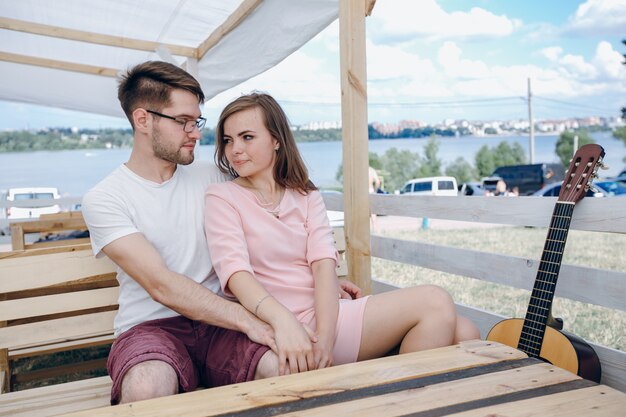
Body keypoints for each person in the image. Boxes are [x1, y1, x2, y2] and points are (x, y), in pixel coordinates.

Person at [82, 61, 360, 405]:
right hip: (154, 328)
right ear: (143, 120)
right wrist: (251, 322)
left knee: (291, 369)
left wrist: (317, 280)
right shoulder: (105, 198)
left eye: (197, 122)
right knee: (146, 387)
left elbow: (271, 223)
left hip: (222, 329)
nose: (197, 133)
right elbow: (161, 285)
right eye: (183, 121)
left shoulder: (214, 176)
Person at [204, 93, 480, 376]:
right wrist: (291, 325)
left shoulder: (305, 195)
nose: (235, 149)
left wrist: (326, 337)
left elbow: (323, 267)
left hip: (327, 318)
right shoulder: (223, 197)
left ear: (276, 140)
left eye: (246, 137)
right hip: (280, 325)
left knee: (465, 332)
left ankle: (392, 399)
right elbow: (236, 275)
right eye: (228, 140)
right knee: (435, 301)